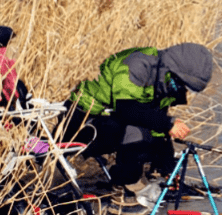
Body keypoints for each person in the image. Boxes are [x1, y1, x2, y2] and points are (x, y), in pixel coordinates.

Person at [60, 42, 213, 213]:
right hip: (81, 123)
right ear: (174, 71)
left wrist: (168, 169)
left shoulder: (164, 81)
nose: (183, 91)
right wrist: (168, 124)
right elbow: (127, 110)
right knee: (136, 131)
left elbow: (155, 124)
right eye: (184, 85)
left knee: (148, 129)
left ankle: (148, 181)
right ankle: (124, 193)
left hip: (110, 122)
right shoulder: (137, 64)